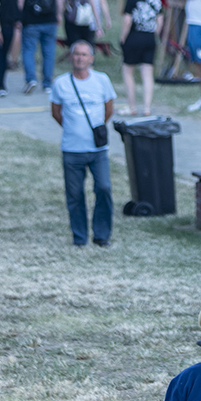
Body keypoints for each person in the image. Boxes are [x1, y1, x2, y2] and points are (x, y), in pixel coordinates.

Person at [49, 39, 118, 247]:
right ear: (71, 57)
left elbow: (108, 108)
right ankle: (79, 237)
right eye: (76, 54)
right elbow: (56, 113)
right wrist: (72, 128)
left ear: (91, 59)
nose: (80, 58)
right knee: (75, 194)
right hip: (71, 149)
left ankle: (102, 235)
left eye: (84, 54)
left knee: (104, 188)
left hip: (97, 149)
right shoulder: (60, 83)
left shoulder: (102, 80)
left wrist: (95, 128)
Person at [17, 0, 64, 94]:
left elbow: (20, 0)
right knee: (49, 52)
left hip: (31, 20)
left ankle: (31, 78)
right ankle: (47, 83)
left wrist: (18, 18)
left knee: (28, 50)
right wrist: (59, 14)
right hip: (49, 19)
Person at [119, 0, 163, 115]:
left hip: (134, 36)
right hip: (149, 37)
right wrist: (154, 34)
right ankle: (147, 107)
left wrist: (123, 37)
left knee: (128, 71)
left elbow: (127, 20)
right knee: (147, 73)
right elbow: (160, 20)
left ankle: (132, 106)